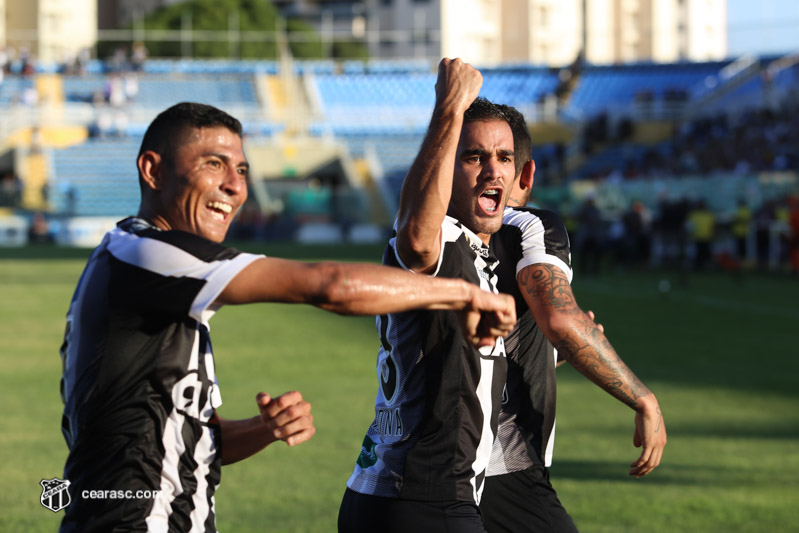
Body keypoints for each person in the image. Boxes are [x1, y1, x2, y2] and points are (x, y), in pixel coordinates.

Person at [59, 102, 516, 533]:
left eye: (241, 170)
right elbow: (328, 285)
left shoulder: (140, 265)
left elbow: (180, 448)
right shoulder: (146, 254)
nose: (235, 186)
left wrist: (263, 429)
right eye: (213, 164)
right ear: (153, 170)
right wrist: (461, 293)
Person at [338, 59, 518, 533]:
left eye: (504, 157)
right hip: (428, 499)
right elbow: (419, 236)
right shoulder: (444, 243)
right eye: (473, 156)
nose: (492, 171)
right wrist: (450, 106)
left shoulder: (474, 255)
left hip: (386, 489)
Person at [481, 105, 667, 532]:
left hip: (398, 471)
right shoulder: (528, 224)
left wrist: (544, 357)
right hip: (499, 466)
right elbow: (562, 321)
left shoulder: (425, 234)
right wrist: (643, 399)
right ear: (527, 177)